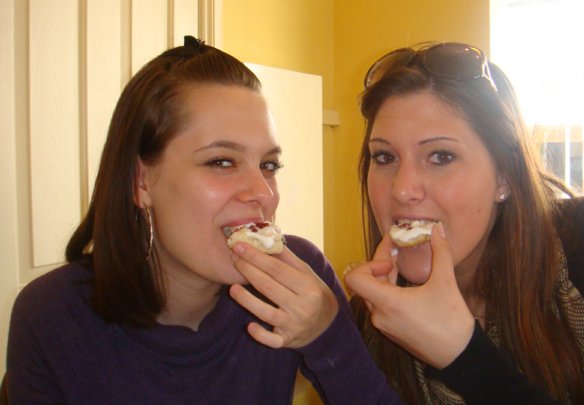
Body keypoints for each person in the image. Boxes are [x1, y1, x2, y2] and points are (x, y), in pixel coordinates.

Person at [6, 36, 401, 404]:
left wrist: (328, 339)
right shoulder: (51, 315)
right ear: (140, 181)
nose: (263, 194)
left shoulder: (299, 278)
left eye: (269, 165)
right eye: (222, 162)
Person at [344, 42, 584, 404]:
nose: (402, 190)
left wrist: (462, 355)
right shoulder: (375, 315)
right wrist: (327, 338)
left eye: (441, 156)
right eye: (384, 157)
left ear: (504, 175)